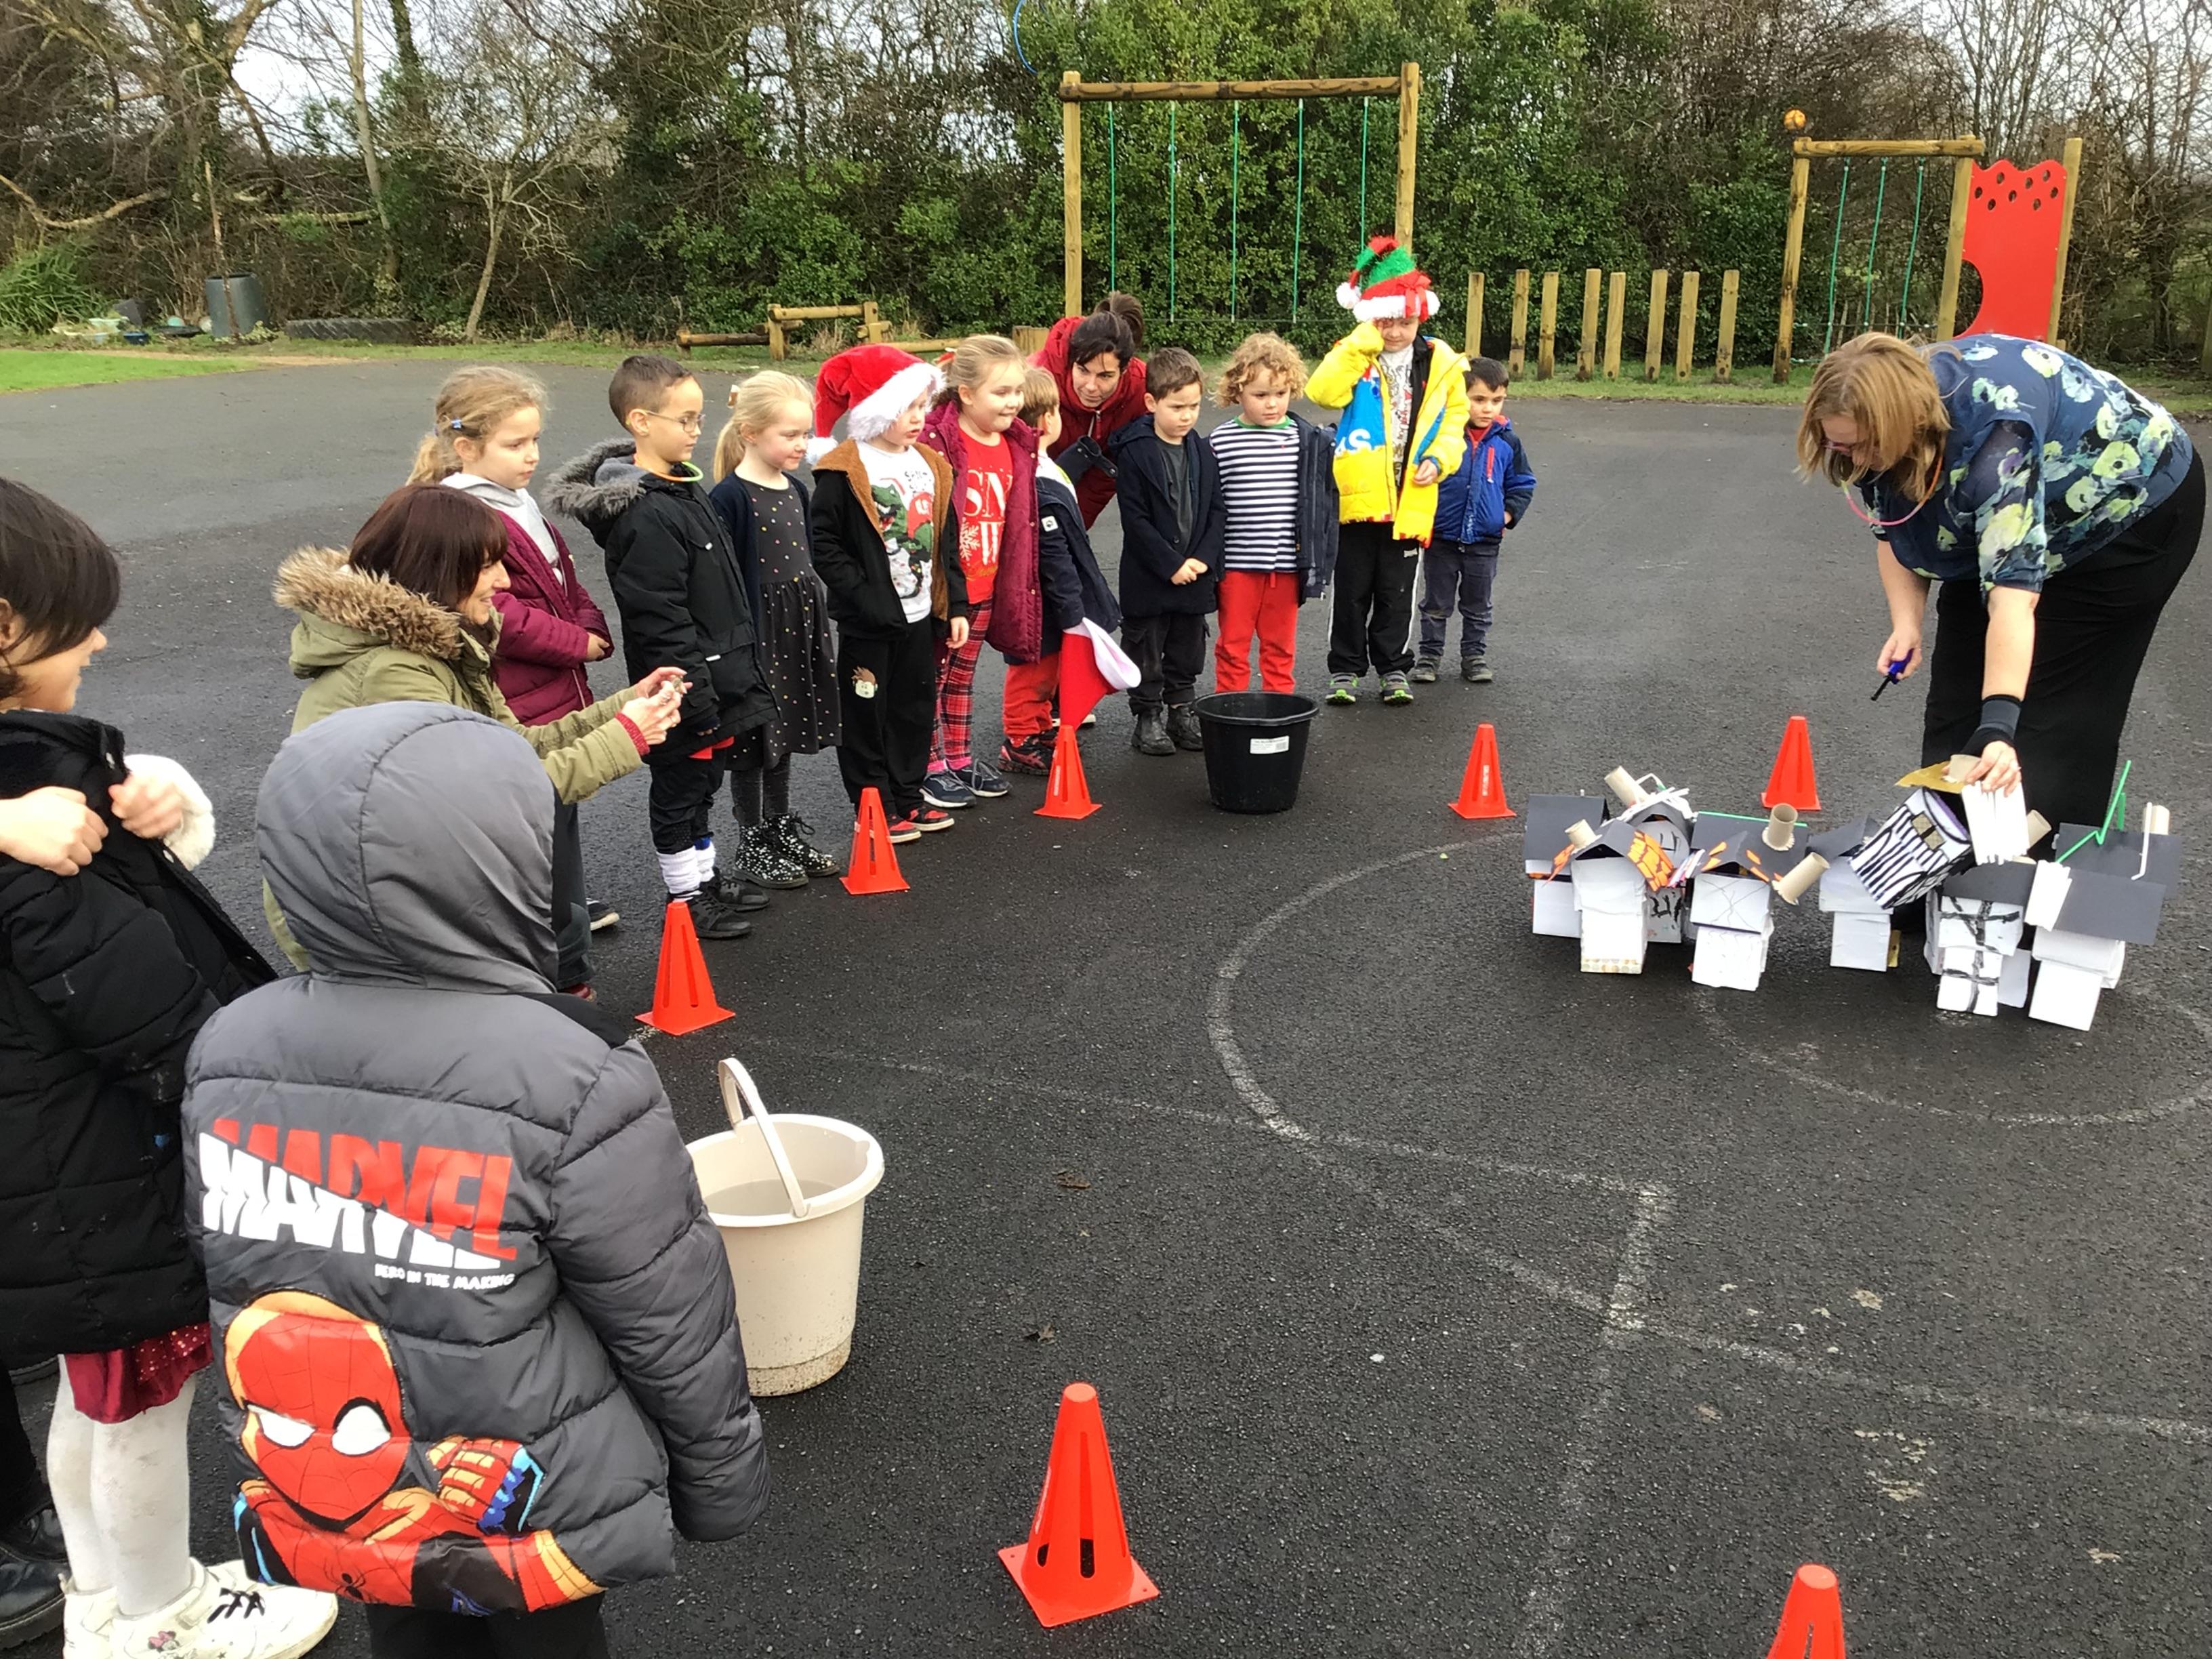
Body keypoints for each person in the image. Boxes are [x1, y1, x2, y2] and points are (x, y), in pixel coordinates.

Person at [186, 701, 769, 1659]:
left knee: (403, 1622)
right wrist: (719, 1480)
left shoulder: (229, 1045)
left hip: (331, 1478)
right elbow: (666, 1309)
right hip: (527, 1492)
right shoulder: (572, 1070)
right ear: (501, 858)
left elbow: (235, 1271)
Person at [0, 476, 340, 1659]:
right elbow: (141, 1005)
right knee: (141, 1406)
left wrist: (156, 796)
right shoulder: (26, 818)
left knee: (92, 1395)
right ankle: (161, 1616)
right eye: (79, 622)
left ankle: (104, 1597)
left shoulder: (40, 781)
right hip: (102, 1177)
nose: (99, 642)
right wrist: (250, 1097)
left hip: (68, 1182)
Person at [1799, 331, 2201, 830]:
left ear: (1906, 424)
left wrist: (1999, 726)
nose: (1854, 460)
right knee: (1955, 708)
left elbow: (2012, 598)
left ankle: (2037, 865)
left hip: (2126, 510)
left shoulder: (1997, 440)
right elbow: (1896, 524)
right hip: (2016, 502)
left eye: (1863, 447)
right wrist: (1907, 624)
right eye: (1839, 445)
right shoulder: (1870, 422)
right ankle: (1940, 856)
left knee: (2046, 726)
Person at [272, 486, 684, 964]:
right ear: (438, 568)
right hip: (367, 921)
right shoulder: (395, 673)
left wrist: (624, 707)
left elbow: (514, 749)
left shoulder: (439, 645)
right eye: (488, 566)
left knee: (556, 936)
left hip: (402, 887)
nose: (504, 581)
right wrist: (627, 736)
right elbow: (491, 802)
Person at [547, 355, 777, 941]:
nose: (696, 430)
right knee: (680, 791)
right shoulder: (646, 514)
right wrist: (691, 692)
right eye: (685, 419)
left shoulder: (683, 488)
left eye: (698, 418)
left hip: (719, 674)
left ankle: (705, 877)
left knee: (705, 785)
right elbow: (660, 618)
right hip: (684, 684)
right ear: (641, 422)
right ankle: (685, 898)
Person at [410, 365, 621, 996]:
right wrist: (576, 643)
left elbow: (564, 581)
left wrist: (590, 624)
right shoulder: (466, 514)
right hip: (517, 696)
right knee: (533, 826)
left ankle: (567, 918)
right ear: (466, 447)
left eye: (534, 440)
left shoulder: (519, 502)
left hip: (553, 690)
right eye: (515, 443)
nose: (532, 455)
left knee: (560, 819)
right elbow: (499, 612)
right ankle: (559, 963)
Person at [806, 345, 966, 842]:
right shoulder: (844, 470)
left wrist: (956, 605)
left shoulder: (932, 465)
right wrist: (867, 599)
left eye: (923, 406)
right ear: (876, 409)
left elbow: (946, 541)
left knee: (913, 710)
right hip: (870, 623)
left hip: (920, 617)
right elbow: (825, 546)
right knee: (866, 714)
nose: (919, 418)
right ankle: (873, 806)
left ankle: (909, 796)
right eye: (906, 408)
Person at [1306, 235, 1470, 705]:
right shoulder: (1356, 354)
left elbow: (1454, 420)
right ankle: (1345, 669)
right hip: (1358, 498)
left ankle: (1393, 667)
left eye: (1406, 322)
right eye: (1385, 321)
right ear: (1369, 317)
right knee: (1351, 589)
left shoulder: (1440, 361)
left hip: (1409, 497)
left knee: (1397, 593)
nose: (1396, 331)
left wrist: (1440, 459)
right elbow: (1322, 392)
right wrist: (1360, 342)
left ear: (1421, 317)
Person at [705, 371, 844, 886]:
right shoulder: (730, 497)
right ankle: (752, 839)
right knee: (754, 736)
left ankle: (779, 827)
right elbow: (726, 579)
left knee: (784, 729)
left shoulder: (796, 489)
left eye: (805, 434)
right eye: (790, 435)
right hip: (760, 632)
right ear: (749, 432)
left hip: (796, 628)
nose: (802, 444)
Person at [919, 335, 1042, 808]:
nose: (1013, 402)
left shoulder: (1016, 443)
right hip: (947, 588)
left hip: (988, 584)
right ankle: (929, 765)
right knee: (933, 677)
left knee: (963, 678)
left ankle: (959, 757)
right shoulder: (938, 441)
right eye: (1001, 392)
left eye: (1018, 391)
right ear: (966, 393)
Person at [999, 368, 1123, 776]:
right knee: (1032, 670)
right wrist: (1072, 607)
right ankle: (1019, 738)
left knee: (1049, 666)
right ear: (1047, 419)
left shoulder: (1043, 467)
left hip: (1047, 598)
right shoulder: (1034, 481)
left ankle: (1038, 726)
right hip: (1042, 599)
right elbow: (1052, 554)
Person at [1206, 333, 1340, 695]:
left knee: (1280, 648)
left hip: (1286, 566)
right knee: (1232, 646)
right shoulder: (1220, 441)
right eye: (1260, 395)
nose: (1272, 404)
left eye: (1280, 393)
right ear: (1238, 392)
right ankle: (1230, 709)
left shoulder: (1305, 439)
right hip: (1236, 566)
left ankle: (1279, 708)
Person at [1109, 348, 1225, 756]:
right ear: (1151, 402)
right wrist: (1170, 564)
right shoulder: (1135, 452)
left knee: (1187, 648)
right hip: (1150, 576)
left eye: (1194, 406)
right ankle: (1148, 717)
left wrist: (1203, 558)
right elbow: (1135, 520)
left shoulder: (1203, 450)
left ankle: (1181, 712)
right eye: (1177, 407)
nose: (1187, 416)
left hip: (1195, 572)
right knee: (1146, 649)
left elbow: (1217, 510)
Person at [1418, 356, 1535, 685]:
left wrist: (1506, 515)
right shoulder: (1443, 438)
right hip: (1441, 537)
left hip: (1484, 541)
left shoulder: (1507, 441)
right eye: (1479, 399)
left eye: (1497, 401)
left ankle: (1474, 656)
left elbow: (1523, 482)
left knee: (1478, 604)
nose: (1488, 408)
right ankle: (1429, 657)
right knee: (1436, 603)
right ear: (1460, 397)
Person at [1029, 294, 1149, 528]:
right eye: (1083, 371)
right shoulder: (1035, 378)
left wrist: (1072, 525)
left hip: (1086, 484)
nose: (1091, 386)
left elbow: (1107, 470)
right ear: (1071, 361)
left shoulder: (1141, 389)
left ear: (1125, 370)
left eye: (1105, 376)